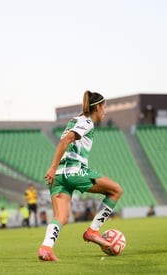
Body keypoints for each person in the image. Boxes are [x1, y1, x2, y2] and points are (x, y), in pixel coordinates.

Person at [38, 91, 123, 261]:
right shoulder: (87, 122)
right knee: (116, 191)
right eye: (104, 107)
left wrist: (55, 169)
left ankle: (46, 248)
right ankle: (93, 230)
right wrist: (52, 167)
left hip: (60, 176)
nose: (105, 111)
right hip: (74, 170)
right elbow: (65, 141)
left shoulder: (75, 120)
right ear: (97, 107)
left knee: (61, 217)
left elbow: (65, 140)